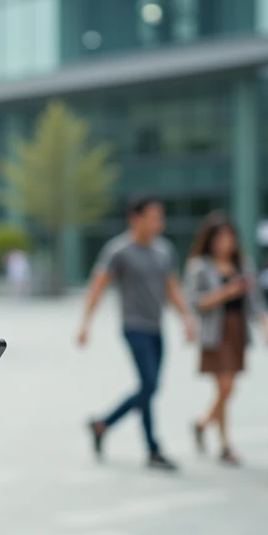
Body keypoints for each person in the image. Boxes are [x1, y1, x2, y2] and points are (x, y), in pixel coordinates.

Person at [76, 194, 195, 471]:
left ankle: (102, 424)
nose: (158, 223)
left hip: (157, 328)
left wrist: (186, 318)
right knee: (149, 385)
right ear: (135, 218)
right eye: (153, 217)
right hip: (134, 327)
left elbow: (172, 288)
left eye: (160, 218)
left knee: (148, 388)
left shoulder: (164, 251)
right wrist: (85, 323)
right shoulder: (118, 250)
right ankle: (153, 448)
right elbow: (98, 286)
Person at [185, 214, 268, 466]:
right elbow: (195, 302)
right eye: (221, 238)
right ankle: (224, 444)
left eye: (230, 238)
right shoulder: (199, 266)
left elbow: (255, 301)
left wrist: (266, 328)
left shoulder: (243, 265)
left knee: (228, 388)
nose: (226, 243)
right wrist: (226, 291)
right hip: (214, 332)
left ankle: (202, 424)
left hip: (237, 331)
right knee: (225, 388)